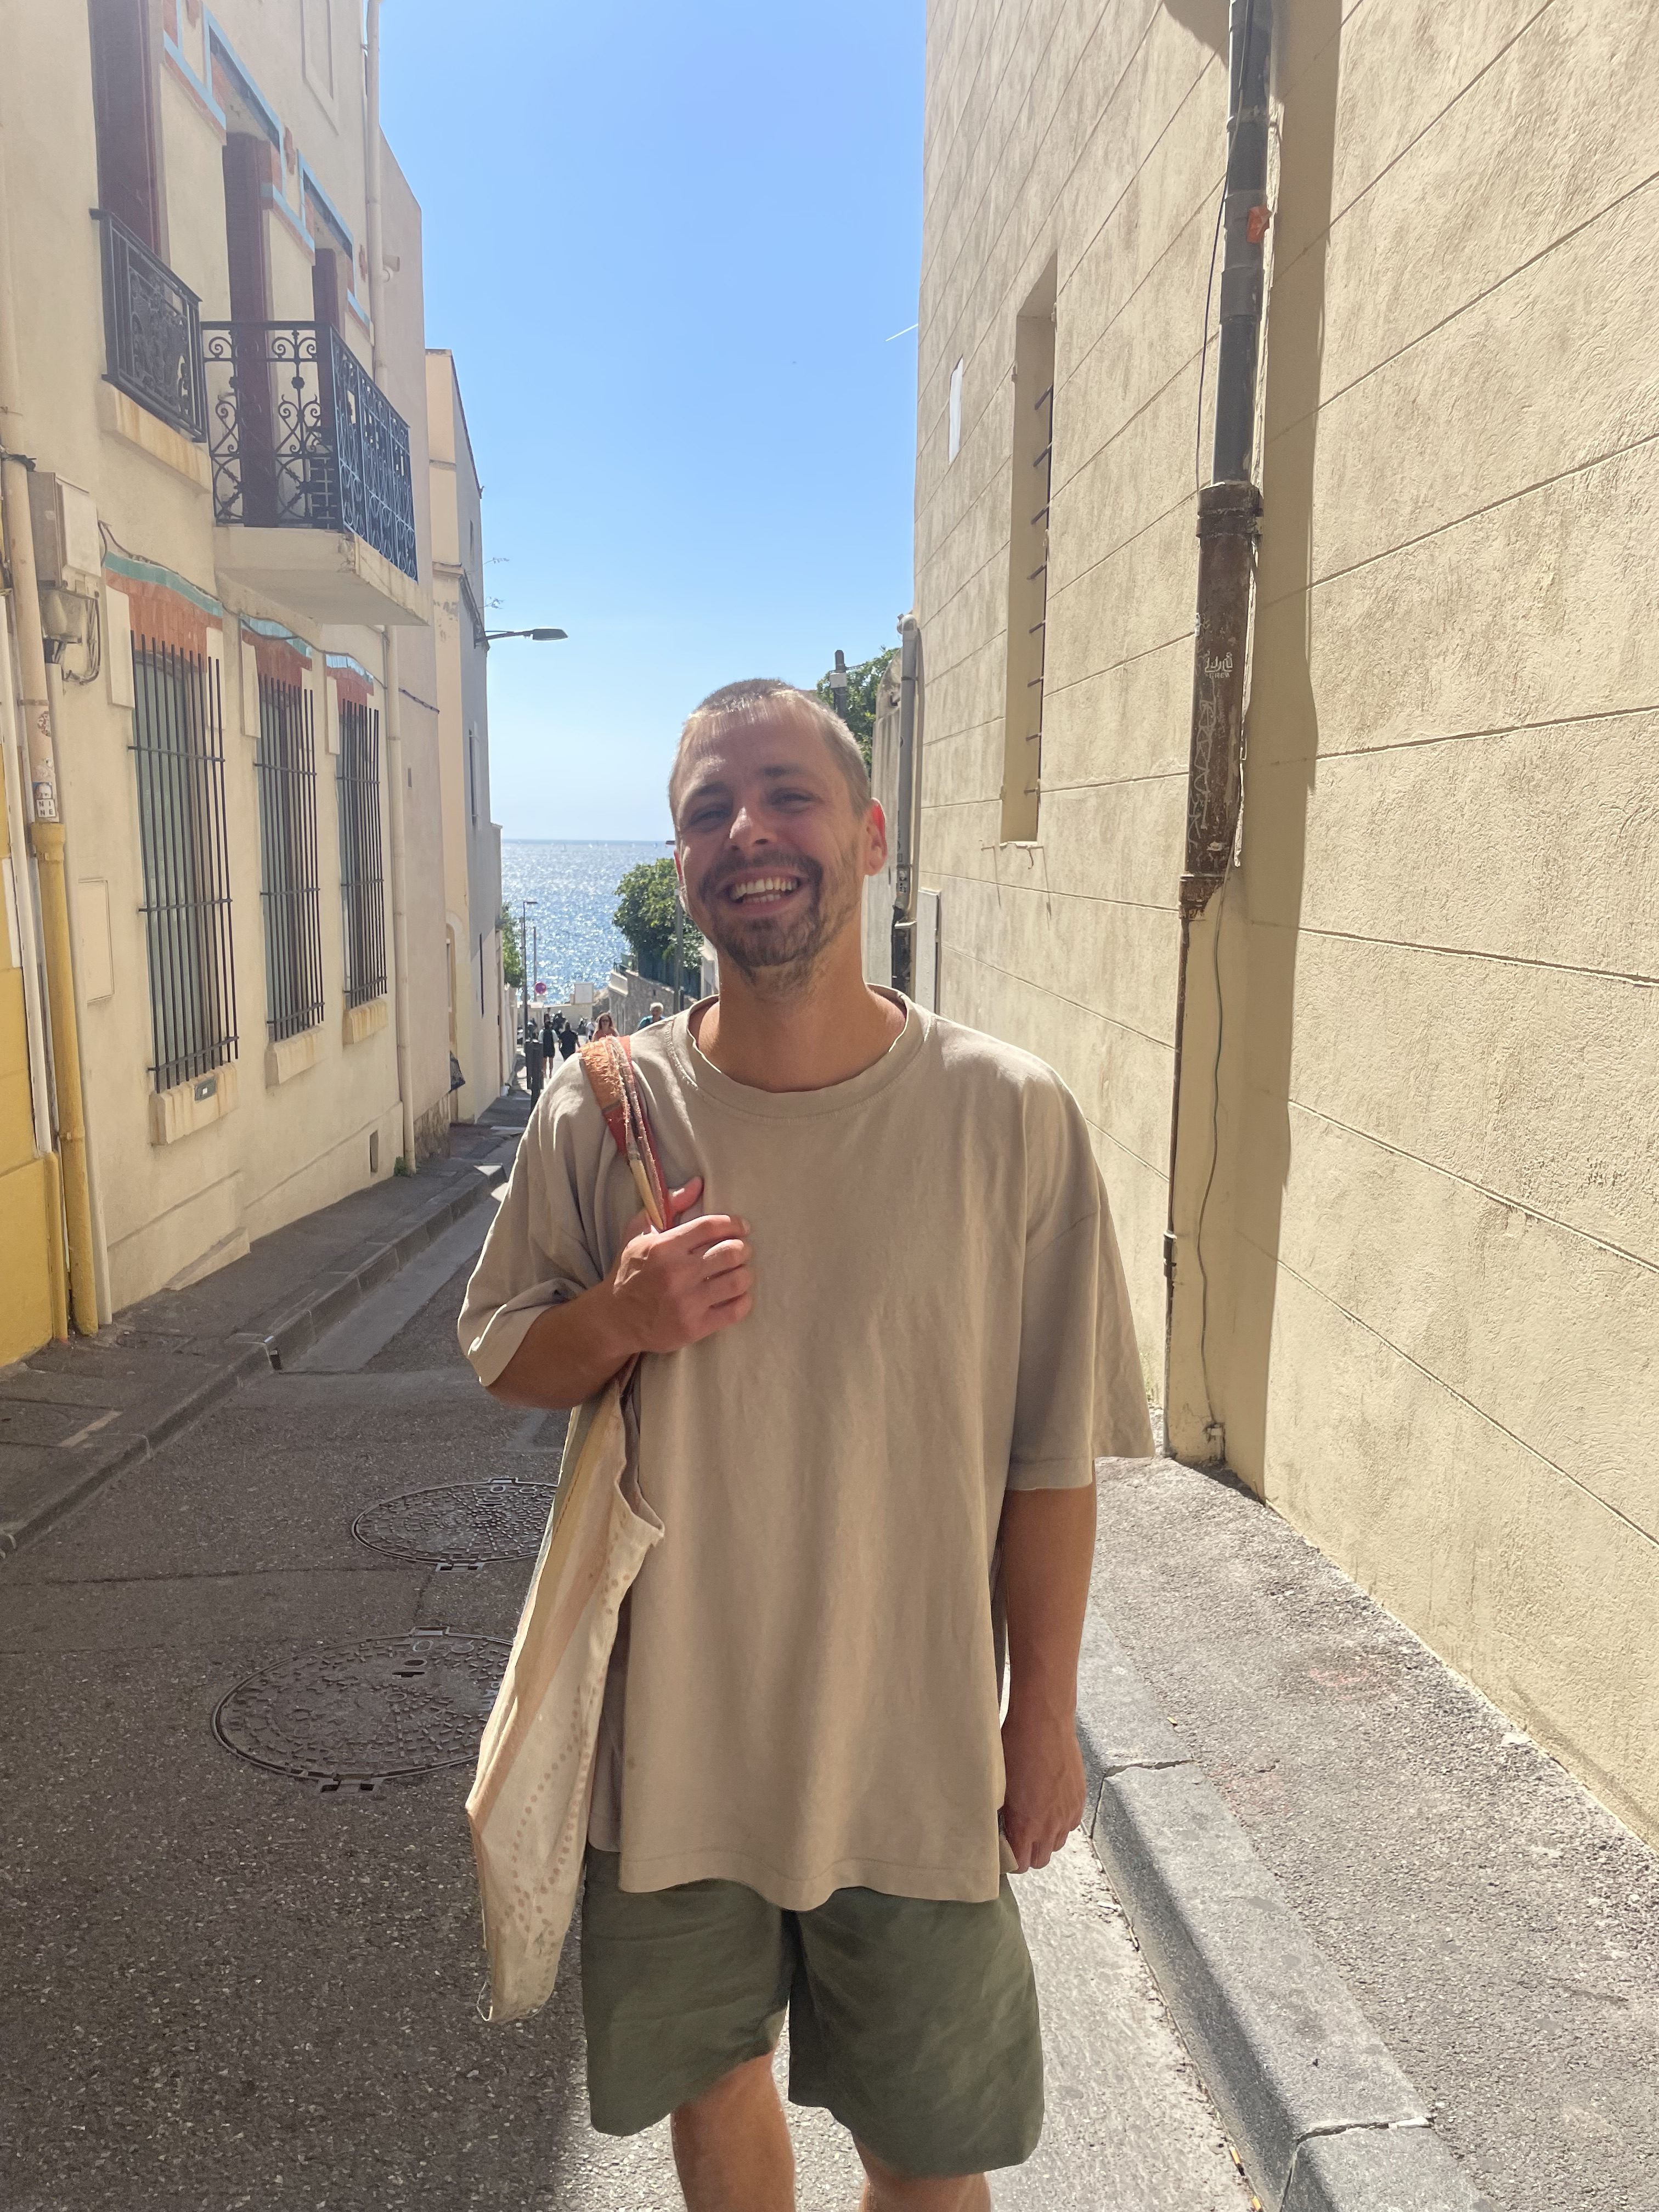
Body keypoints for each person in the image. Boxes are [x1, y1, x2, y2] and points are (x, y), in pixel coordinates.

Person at [459, 680, 1149, 2211]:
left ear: (871, 834)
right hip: (671, 1756)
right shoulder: (607, 1106)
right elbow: (504, 1354)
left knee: (929, 2153)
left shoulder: (1010, 1116)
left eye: (788, 796)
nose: (748, 834)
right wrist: (625, 1315)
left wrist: (1042, 1715)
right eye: (709, 809)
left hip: (912, 1755)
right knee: (716, 2097)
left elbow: (1052, 1458)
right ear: (681, 862)